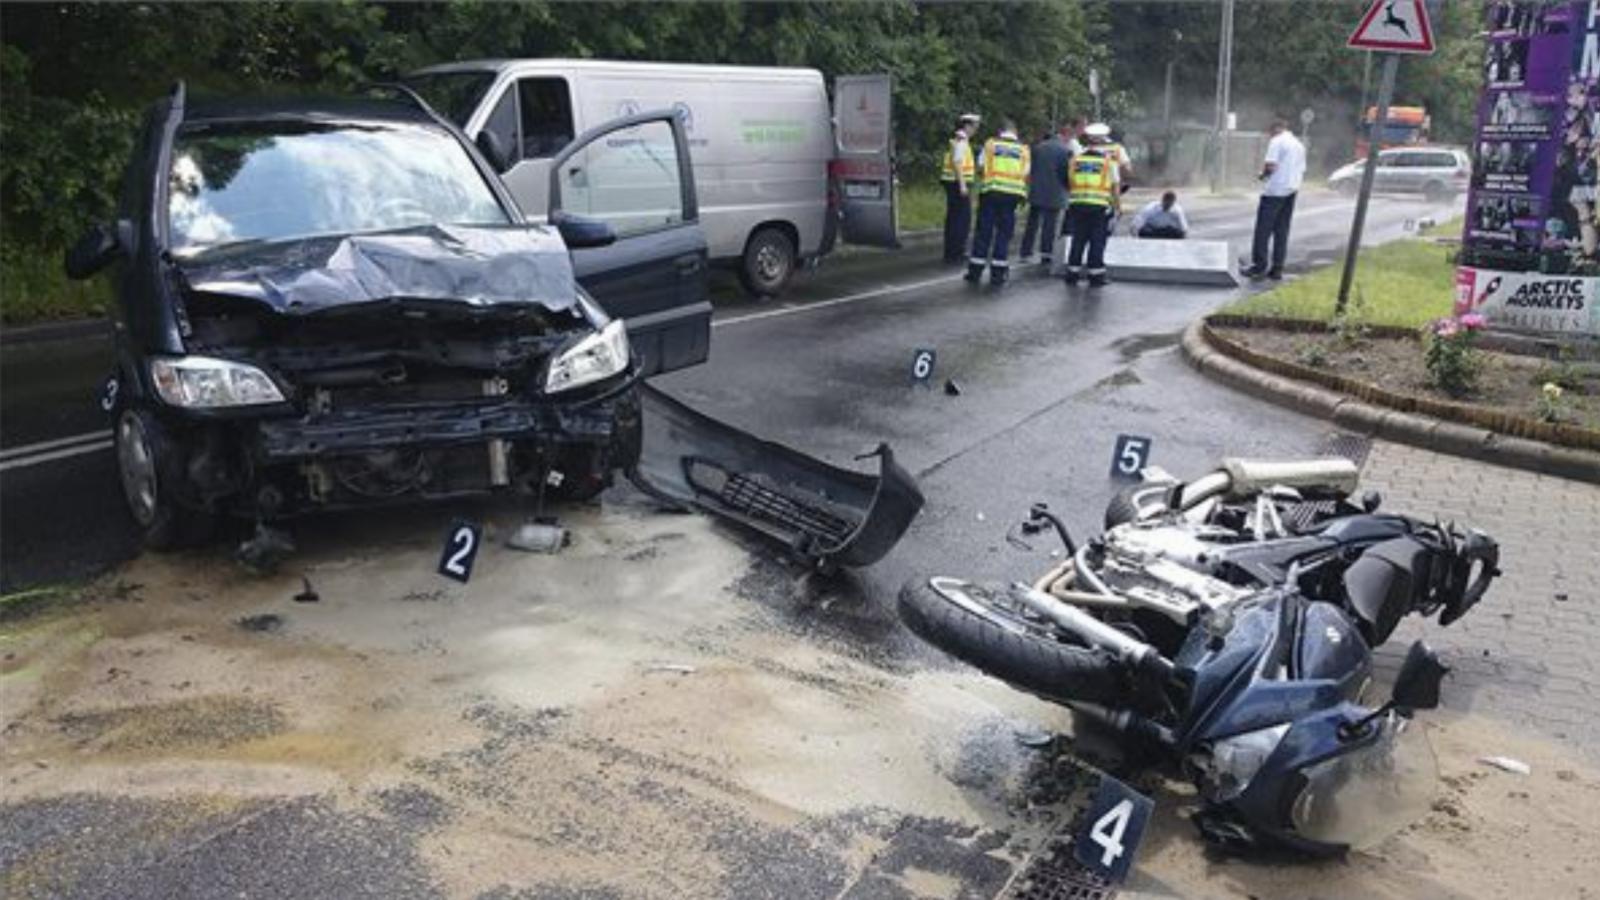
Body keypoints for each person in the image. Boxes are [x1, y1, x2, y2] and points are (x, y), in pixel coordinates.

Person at [966, 119, 1030, 286]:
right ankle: (998, 274)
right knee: (1004, 234)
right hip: (1012, 196)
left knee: (983, 232)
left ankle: (975, 271)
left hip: (991, 192)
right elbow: (1026, 173)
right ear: (1015, 132)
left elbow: (980, 166)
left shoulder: (990, 145)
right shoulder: (1023, 149)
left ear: (1000, 131)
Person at [1244, 119, 1306, 280]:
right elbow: (1302, 169)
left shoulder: (1277, 141)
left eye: (1270, 132)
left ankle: (1259, 266)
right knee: (1282, 230)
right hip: (1292, 190)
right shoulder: (1299, 145)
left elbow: (1270, 166)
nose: (1269, 135)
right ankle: (1277, 268)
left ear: (1276, 129)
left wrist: (1262, 176)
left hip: (1274, 191)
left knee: (1263, 230)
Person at [1063, 123, 1119, 287]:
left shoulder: (1075, 161)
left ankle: (1072, 273)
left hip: (1077, 205)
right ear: (1102, 142)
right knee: (1097, 241)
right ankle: (1096, 276)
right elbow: (1115, 186)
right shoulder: (1108, 163)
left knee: (1078, 239)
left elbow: (1069, 181)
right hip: (1099, 207)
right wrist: (1117, 206)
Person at [1019, 122, 1072, 267]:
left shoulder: (1037, 148)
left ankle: (1025, 251)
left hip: (1037, 190)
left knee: (1032, 222)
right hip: (1055, 192)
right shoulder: (1065, 151)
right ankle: (1046, 254)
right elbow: (1066, 173)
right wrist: (1068, 188)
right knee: (1050, 224)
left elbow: (1030, 169)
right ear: (1063, 137)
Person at [940, 113, 980, 265]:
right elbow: (957, 162)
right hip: (957, 184)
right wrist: (962, 184)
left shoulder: (957, 139)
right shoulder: (961, 140)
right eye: (974, 127)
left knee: (953, 218)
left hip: (952, 182)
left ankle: (951, 251)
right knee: (961, 220)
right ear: (967, 126)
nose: (975, 130)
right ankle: (956, 252)